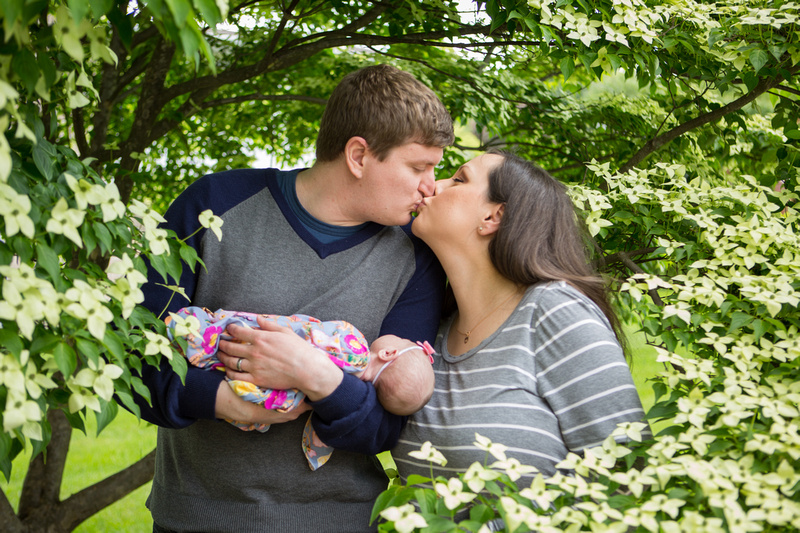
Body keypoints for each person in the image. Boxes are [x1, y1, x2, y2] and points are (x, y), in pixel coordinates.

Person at [134, 64, 453, 532]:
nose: (430, 187)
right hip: (194, 517)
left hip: (338, 521)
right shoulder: (214, 205)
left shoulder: (416, 259)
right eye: (418, 167)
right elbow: (131, 347)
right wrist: (219, 399)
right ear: (359, 155)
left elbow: (389, 425)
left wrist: (317, 375)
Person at [390, 152, 652, 481]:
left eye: (458, 179)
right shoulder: (432, 329)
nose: (432, 186)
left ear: (493, 216)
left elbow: (629, 478)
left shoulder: (556, 312)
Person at [165, 306, 436, 470]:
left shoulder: (355, 348)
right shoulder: (346, 400)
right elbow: (318, 440)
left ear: (388, 352)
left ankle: (195, 335)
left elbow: (311, 331)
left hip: (255, 347)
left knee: (229, 337)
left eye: (401, 339)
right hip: (274, 400)